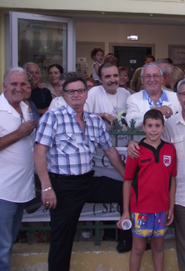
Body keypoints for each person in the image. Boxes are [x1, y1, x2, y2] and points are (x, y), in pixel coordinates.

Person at [128, 78, 185, 271]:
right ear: (178, 97)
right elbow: (152, 142)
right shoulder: (169, 124)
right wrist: (133, 142)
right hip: (180, 197)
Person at [33, 76, 126, 271]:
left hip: (88, 181)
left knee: (129, 191)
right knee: (62, 241)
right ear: (63, 95)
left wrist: (128, 178)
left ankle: (126, 239)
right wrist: (46, 187)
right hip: (63, 186)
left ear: (86, 94)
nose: (76, 94)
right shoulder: (53, 117)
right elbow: (39, 152)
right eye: (71, 91)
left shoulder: (95, 121)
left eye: (80, 91)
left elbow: (110, 152)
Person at [0, 67, 37, 270]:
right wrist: (18, 133)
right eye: (13, 84)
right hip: (1, 190)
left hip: (22, 189)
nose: (18, 88)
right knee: (0, 247)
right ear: (4, 86)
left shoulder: (26, 108)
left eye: (22, 84)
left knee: (8, 243)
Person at [117, 109, 177, 271]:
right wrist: (125, 212)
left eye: (157, 125)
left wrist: (170, 207)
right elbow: (127, 181)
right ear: (143, 127)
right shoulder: (136, 150)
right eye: (149, 125)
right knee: (138, 249)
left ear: (163, 127)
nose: (153, 129)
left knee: (158, 247)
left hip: (161, 209)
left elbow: (172, 180)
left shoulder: (170, 150)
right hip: (140, 209)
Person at [83, 62, 133, 252]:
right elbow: (81, 115)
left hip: (120, 151)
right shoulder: (93, 94)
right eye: (107, 77)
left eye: (115, 76)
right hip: (99, 156)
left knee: (125, 191)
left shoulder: (126, 94)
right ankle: (104, 233)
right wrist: (102, 115)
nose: (113, 80)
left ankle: (124, 237)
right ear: (100, 79)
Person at [126, 62, 181, 133]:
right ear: (142, 80)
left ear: (161, 79)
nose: (152, 79)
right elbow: (131, 121)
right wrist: (157, 111)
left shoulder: (176, 98)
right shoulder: (133, 99)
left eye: (156, 76)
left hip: (169, 143)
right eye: (148, 76)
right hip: (142, 143)